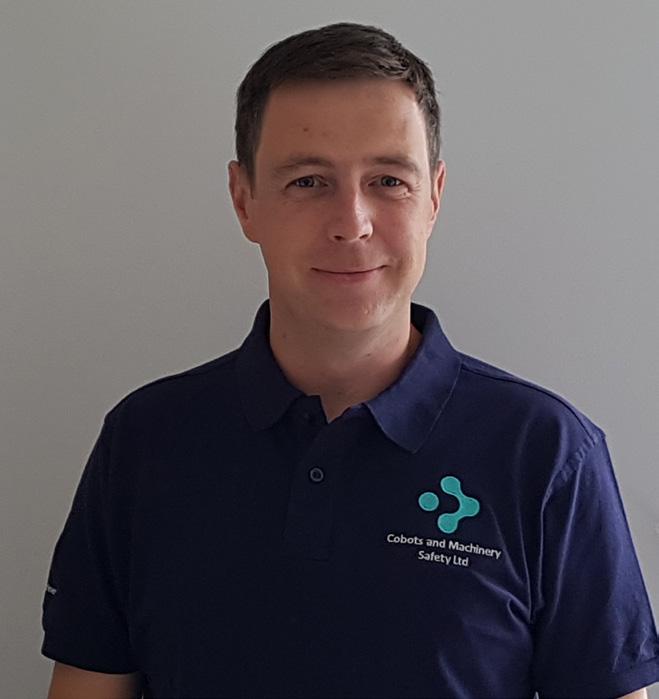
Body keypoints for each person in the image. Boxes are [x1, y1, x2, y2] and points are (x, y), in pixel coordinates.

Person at [42, 21, 659, 699]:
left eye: (389, 180)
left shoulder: (545, 454)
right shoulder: (145, 441)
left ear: (433, 197)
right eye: (308, 181)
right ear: (244, 201)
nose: (352, 222)